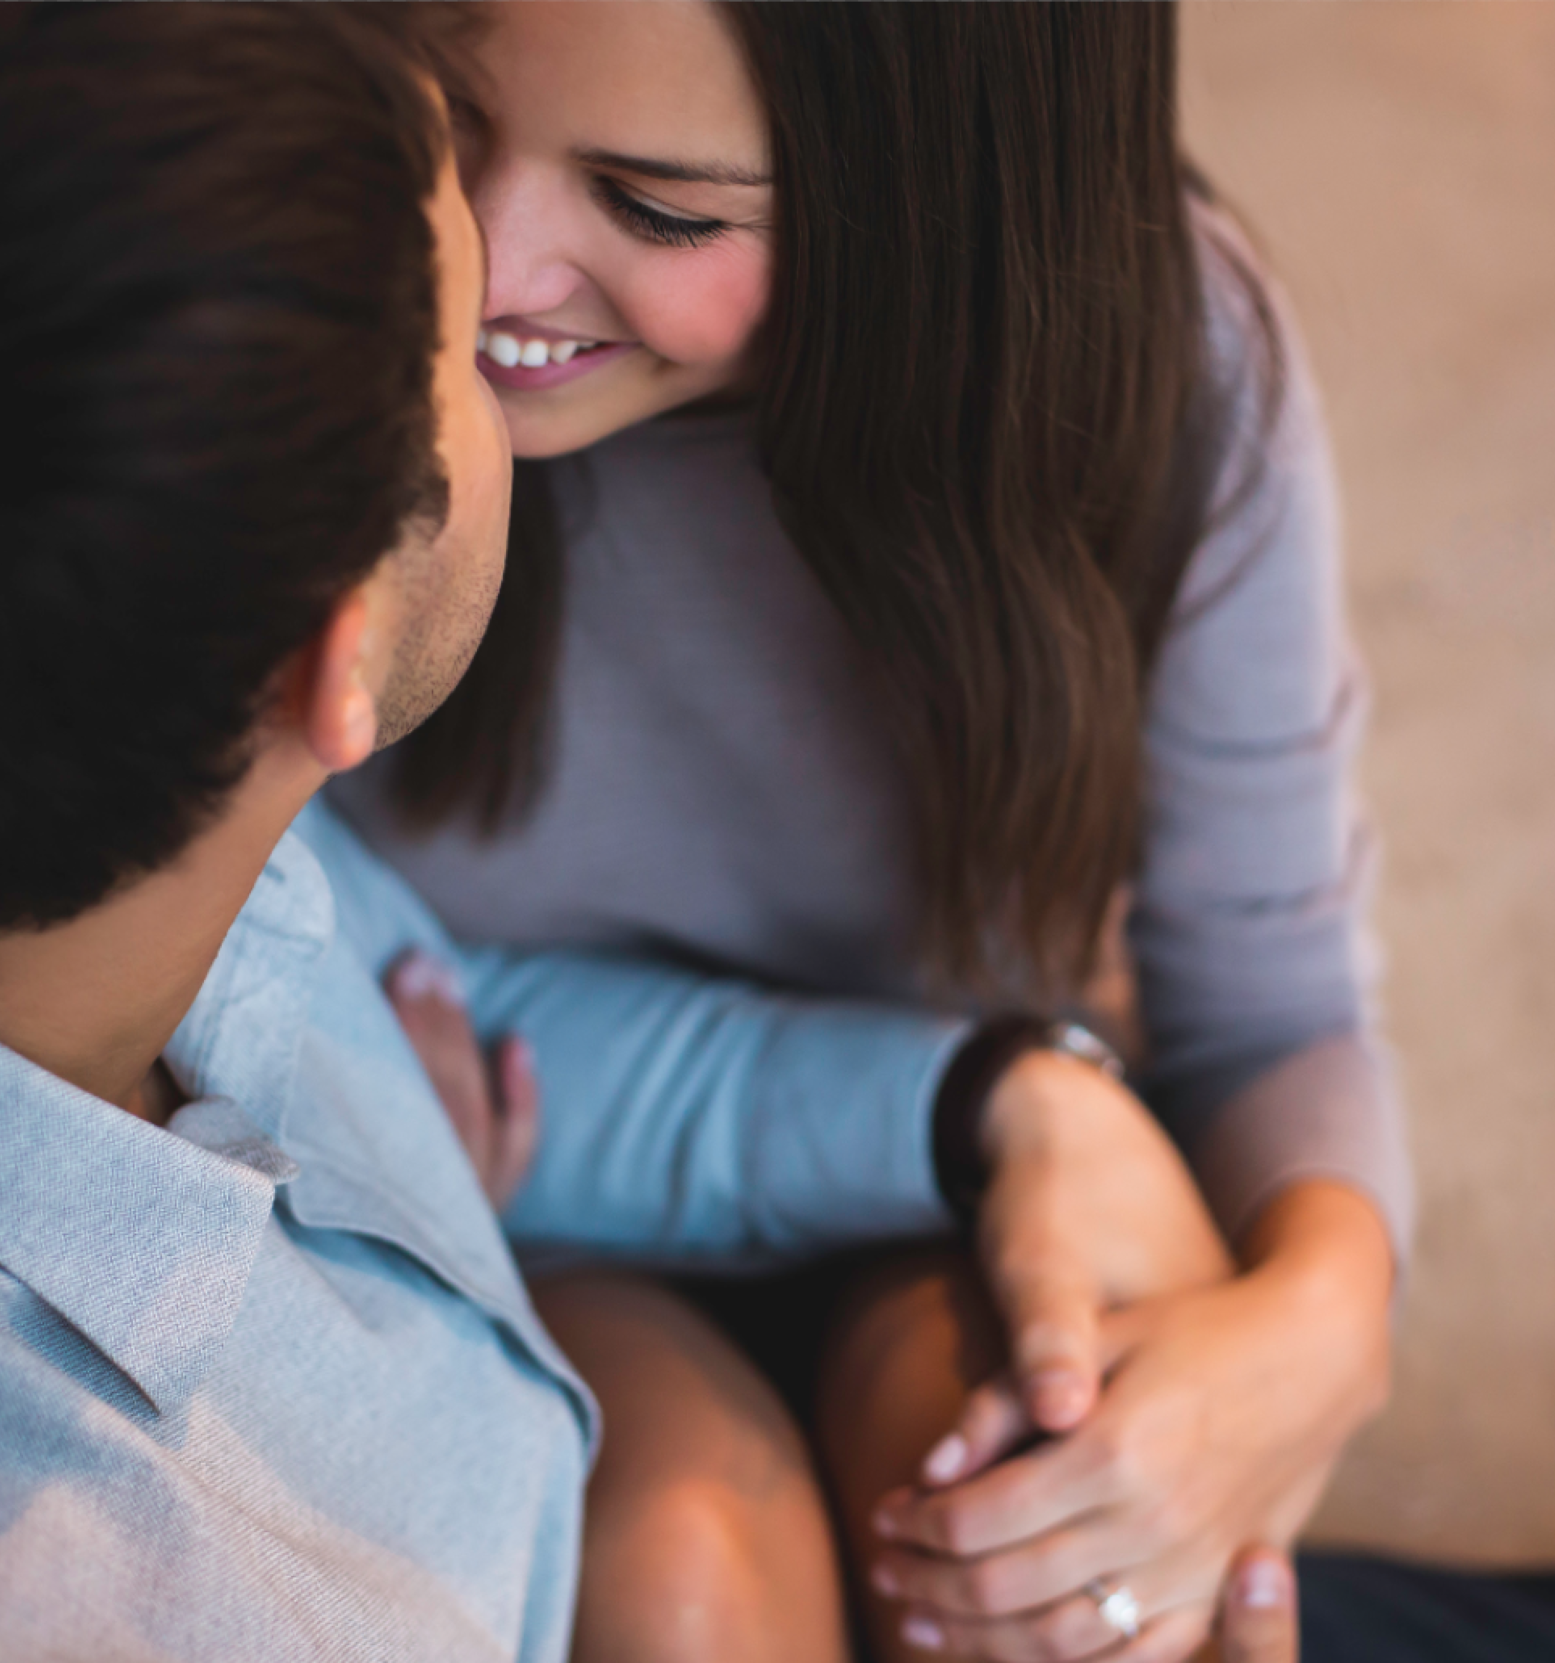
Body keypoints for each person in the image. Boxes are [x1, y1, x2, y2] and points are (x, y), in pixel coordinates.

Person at [0, 7, 1307, 1659]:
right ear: (337, 653)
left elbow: (419, 986)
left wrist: (998, 1098)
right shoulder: (50, 1597)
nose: (495, 317)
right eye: (440, 342)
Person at [326, 4, 1400, 1659]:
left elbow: (1274, 993)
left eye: (663, 208)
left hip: (959, 1170)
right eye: (445, 117)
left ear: (931, 201)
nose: (483, 263)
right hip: (533, 1189)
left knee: (1051, 1561)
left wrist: (1327, 1315)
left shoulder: (1174, 371)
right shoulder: (302, 314)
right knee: (676, 1575)